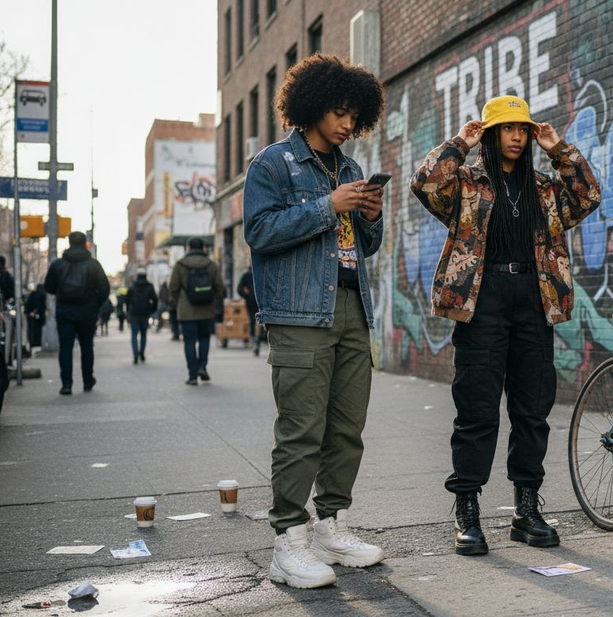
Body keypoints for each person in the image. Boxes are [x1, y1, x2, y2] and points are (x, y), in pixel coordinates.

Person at [411, 95, 602, 556]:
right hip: (482, 301)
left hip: (535, 301)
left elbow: (588, 195)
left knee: (532, 411)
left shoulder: (544, 187)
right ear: (492, 135)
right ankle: (468, 510)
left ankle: (526, 509)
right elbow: (425, 183)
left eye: (523, 129)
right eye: (507, 129)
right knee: (476, 409)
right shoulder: (467, 184)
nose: (517, 137)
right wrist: (460, 142)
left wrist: (560, 150)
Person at [243, 52, 387, 588]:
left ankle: (331, 526)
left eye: (355, 115)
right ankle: (288, 542)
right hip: (300, 312)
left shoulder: (349, 168)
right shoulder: (273, 164)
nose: (348, 124)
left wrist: (369, 218)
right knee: (302, 430)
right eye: (339, 112)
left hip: (352, 305)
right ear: (311, 107)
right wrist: (329, 205)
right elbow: (259, 232)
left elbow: (362, 246)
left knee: (347, 428)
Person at [43, 231, 110, 395]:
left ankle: (66, 384)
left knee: (65, 348)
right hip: (87, 312)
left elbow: (49, 287)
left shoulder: (58, 264)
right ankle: (88, 381)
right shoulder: (94, 264)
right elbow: (104, 289)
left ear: (69, 242)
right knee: (87, 346)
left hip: (65, 311)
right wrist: (94, 305)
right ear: (84, 243)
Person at [169, 238, 223, 385]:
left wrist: (179, 301)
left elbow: (173, 287)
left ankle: (192, 375)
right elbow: (220, 287)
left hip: (187, 312)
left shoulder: (180, 265)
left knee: (189, 342)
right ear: (204, 248)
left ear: (188, 247)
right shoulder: (211, 265)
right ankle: (202, 367)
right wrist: (213, 300)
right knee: (205, 339)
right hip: (207, 310)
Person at [127, 267, 158, 364]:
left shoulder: (132, 286)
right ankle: (142, 353)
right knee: (143, 334)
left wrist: (128, 311)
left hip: (134, 314)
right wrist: (151, 310)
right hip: (145, 313)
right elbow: (155, 300)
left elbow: (126, 300)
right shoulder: (149, 286)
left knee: (134, 335)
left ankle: (135, 354)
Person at [237, 267, 261, 356]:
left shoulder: (246, 275)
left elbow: (239, 289)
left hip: (250, 303)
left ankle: (255, 341)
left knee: (252, 321)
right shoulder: (261, 272)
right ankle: (256, 341)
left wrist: (247, 295)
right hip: (261, 303)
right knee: (260, 323)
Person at [25, 284, 46, 349]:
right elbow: (43, 305)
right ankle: (37, 342)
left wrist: (29, 312)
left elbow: (28, 304)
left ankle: (32, 342)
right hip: (40, 315)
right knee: (38, 330)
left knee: (31, 329)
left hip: (31, 314)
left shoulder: (33, 294)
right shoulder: (43, 294)